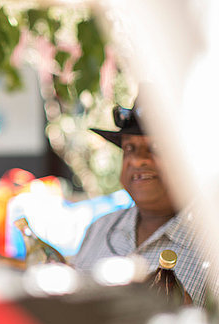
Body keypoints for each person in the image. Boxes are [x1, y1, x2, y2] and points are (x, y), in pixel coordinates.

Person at [74, 92, 212, 305]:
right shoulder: (100, 228)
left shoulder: (211, 242)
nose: (138, 160)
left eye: (155, 148)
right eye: (130, 148)